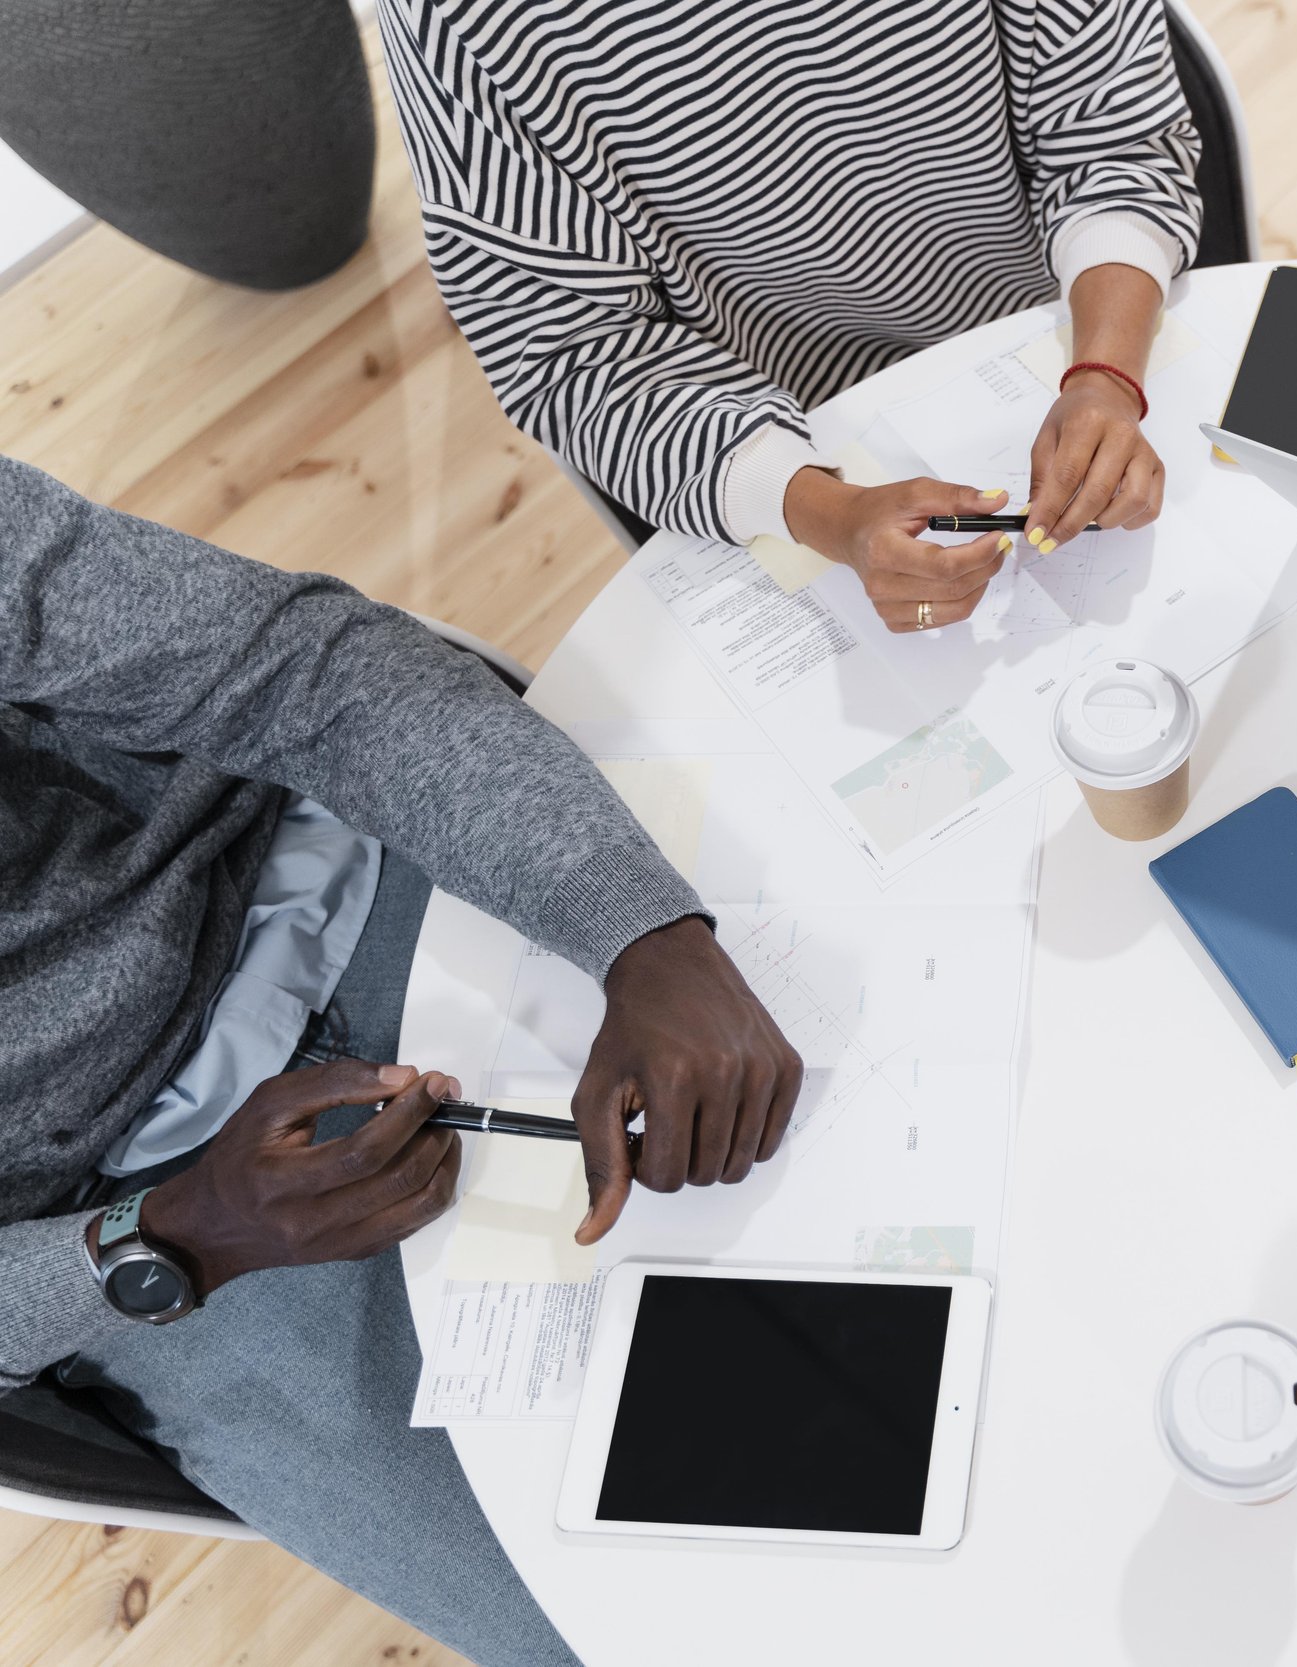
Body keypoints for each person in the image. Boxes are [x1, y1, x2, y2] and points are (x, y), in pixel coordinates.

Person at [0, 456, 806, 1667]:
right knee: (644, 1627)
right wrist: (169, 1236)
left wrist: (634, 925)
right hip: (148, 1216)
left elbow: (299, 671)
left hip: (325, 872)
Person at [379, 0, 1205, 632]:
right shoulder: (458, 21)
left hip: (1054, 324)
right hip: (777, 436)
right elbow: (574, 353)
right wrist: (829, 512)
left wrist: (1104, 370)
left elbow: (1114, 131)